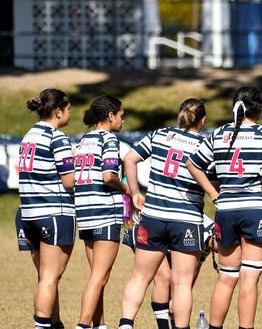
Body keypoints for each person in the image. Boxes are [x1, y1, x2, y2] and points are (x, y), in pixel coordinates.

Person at [187, 86, 262, 329]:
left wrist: (211, 191)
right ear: (259, 109)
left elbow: (192, 164)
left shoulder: (218, 134)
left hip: (226, 209)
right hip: (257, 211)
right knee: (249, 278)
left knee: (226, 277)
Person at [119, 99, 210, 329]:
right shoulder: (205, 144)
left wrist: (135, 193)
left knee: (139, 277)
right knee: (182, 283)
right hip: (186, 220)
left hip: (153, 216)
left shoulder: (159, 134)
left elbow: (129, 158)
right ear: (202, 120)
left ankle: (125, 324)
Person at [17, 89, 75, 329]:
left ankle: (54, 323)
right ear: (58, 111)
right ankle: (42, 325)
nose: (70, 113)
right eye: (69, 109)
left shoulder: (28, 135)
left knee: (45, 279)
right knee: (50, 279)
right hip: (53, 213)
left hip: (28, 213)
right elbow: (69, 181)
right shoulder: (57, 137)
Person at [75, 95, 127, 329]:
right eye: (121, 115)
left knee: (98, 278)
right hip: (105, 212)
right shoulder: (109, 139)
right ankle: (84, 324)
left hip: (85, 213)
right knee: (99, 278)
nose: (123, 120)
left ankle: (100, 325)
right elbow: (108, 176)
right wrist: (126, 188)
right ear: (110, 116)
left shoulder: (84, 140)